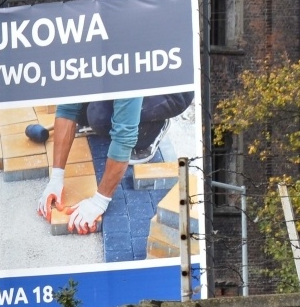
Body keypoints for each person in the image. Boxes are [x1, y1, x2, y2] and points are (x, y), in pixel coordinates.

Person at [38, 92, 196, 235]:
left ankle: (154, 128)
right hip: (125, 79)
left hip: (171, 91)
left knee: (101, 119)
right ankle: (122, 115)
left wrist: (99, 202)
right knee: (83, 110)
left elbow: (124, 137)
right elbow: (67, 109)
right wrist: (56, 177)